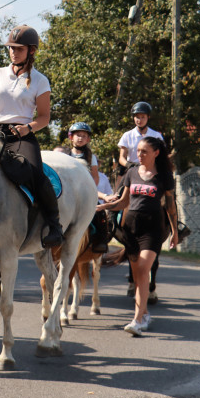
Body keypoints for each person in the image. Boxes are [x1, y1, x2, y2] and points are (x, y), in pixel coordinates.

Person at [0, 24, 62, 248]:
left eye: (19, 48)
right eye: (11, 48)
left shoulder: (41, 80)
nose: (13, 52)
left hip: (21, 135)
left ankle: (54, 224)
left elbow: (44, 117)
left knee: (35, 173)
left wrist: (28, 128)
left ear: (31, 51)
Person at [98, 136, 178, 336]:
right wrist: (104, 206)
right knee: (138, 275)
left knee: (143, 270)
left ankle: (136, 320)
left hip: (152, 229)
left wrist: (175, 231)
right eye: (138, 151)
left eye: (144, 152)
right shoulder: (131, 172)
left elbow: (170, 205)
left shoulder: (164, 175)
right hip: (130, 229)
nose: (139, 155)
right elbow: (124, 202)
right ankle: (143, 314)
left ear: (156, 153)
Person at [117, 103, 165, 298]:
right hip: (132, 173)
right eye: (136, 116)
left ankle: (175, 225)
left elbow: (162, 156)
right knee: (118, 196)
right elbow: (121, 157)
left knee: (169, 198)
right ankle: (112, 223)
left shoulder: (156, 135)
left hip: (152, 174)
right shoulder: (127, 135)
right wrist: (131, 165)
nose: (139, 119)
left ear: (148, 118)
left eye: (142, 116)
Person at [67, 122, 110, 253]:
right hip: (68, 191)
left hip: (84, 192)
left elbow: (95, 176)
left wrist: (91, 188)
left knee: (100, 212)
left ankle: (100, 240)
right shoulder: (65, 154)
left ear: (88, 139)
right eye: (78, 135)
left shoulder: (91, 157)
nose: (80, 138)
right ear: (71, 137)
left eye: (83, 136)